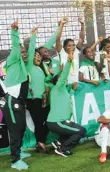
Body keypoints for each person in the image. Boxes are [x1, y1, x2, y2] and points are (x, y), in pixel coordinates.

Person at [1, 21, 32, 170]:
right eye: (22, 52)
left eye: (25, 52)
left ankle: (19, 151)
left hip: (19, 102)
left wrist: (33, 36)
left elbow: (29, 52)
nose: (24, 53)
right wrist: (15, 31)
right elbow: (15, 46)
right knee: (15, 131)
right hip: (12, 101)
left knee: (21, 128)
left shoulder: (23, 67)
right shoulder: (13, 60)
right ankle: (15, 161)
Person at [47, 51, 86, 157]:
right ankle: (63, 149)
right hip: (57, 122)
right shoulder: (57, 88)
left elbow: (67, 98)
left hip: (62, 121)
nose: (64, 79)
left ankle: (58, 142)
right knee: (81, 131)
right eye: (60, 79)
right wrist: (69, 62)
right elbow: (63, 76)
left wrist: (72, 90)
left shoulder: (62, 90)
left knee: (76, 129)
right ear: (57, 82)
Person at [55, 17, 85, 84]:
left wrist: (82, 25)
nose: (72, 47)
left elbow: (81, 39)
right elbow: (58, 39)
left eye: (73, 45)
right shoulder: (61, 52)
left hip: (76, 83)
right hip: (65, 83)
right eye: (69, 45)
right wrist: (61, 25)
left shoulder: (76, 51)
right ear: (65, 47)